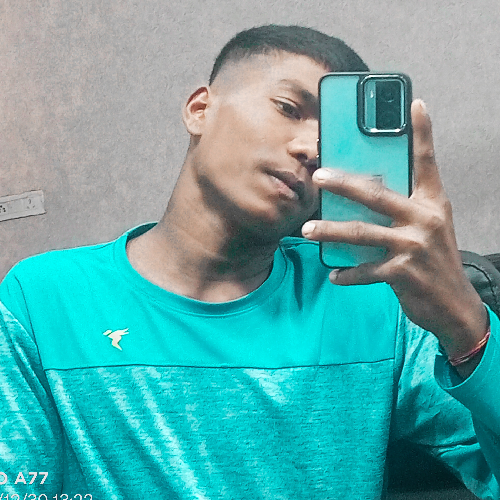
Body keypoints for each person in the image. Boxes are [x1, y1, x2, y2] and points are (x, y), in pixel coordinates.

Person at [0, 24, 499, 499]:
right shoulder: (44, 300)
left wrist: (465, 324)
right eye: (288, 108)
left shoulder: (372, 301)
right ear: (200, 109)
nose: (310, 149)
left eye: (333, 141)